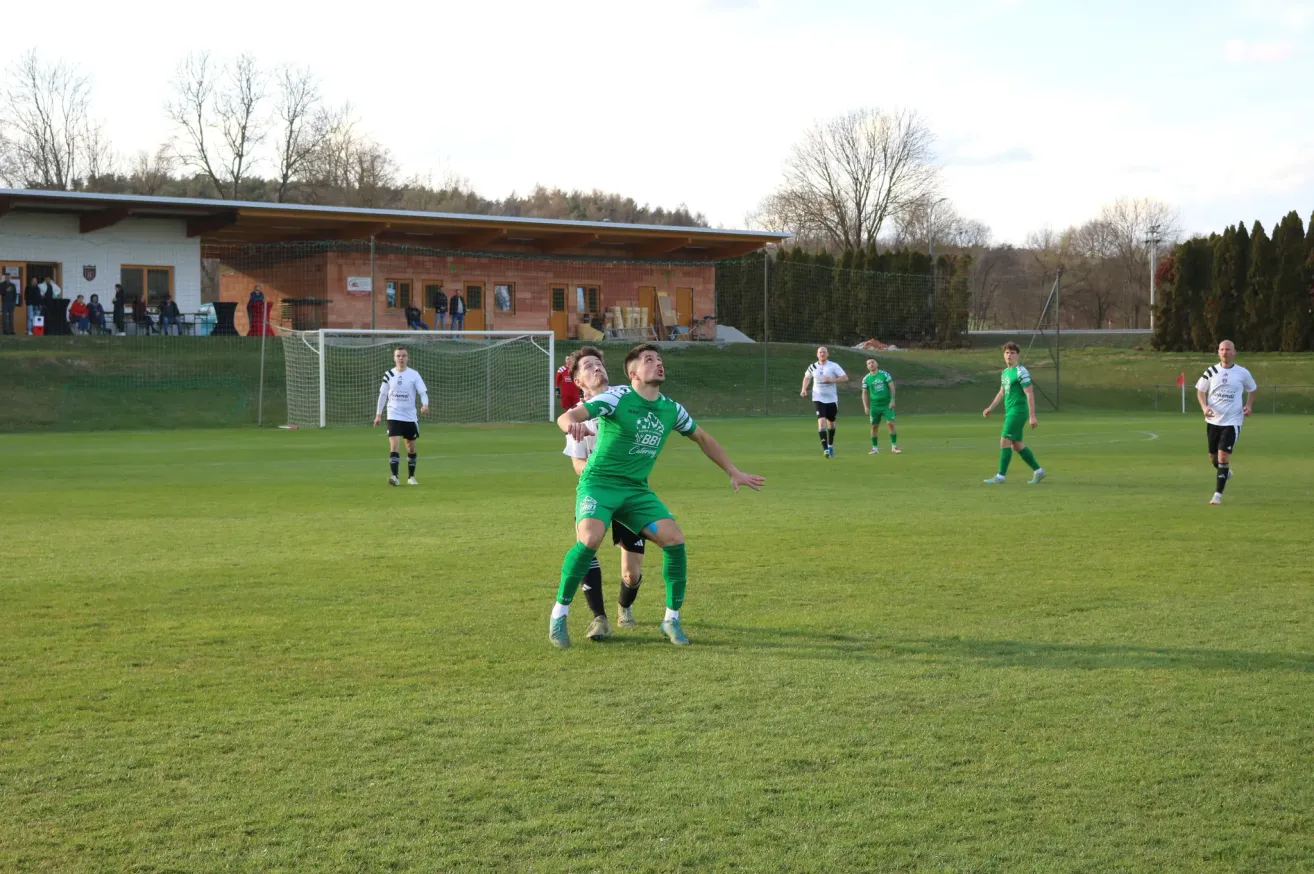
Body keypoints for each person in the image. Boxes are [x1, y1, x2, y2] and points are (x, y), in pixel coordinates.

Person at [551, 343, 765, 648]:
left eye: (659, 359)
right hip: (599, 483)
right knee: (589, 540)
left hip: (636, 490)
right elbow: (568, 417)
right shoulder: (616, 398)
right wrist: (572, 426)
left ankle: (671, 620)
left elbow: (702, 437)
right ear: (633, 373)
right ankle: (559, 614)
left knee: (674, 540)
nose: (658, 363)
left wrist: (732, 470)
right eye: (649, 360)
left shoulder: (671, 409)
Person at [561, 346, 650, 641]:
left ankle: (625, 606)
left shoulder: (626, 397)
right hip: (597, 490)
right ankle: (599, 618)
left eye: (599, 363)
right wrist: (597, 472)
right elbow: (577, 463)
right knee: (586, 545)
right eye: (588, 366)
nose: (597, 368)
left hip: (629, 492)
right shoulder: (579, 417)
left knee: (631, 573)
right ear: (578, 381)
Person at [1196, 339, 1257, 505]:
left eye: (1228, 349)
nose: (1225, 352)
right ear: (1218, 352)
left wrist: (1248, 406)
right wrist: (1204, 407)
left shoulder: (1242, 372)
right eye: (1222, 349)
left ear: (1234, 352)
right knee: (1213, 457)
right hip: (1213, 420)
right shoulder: (1211, 371)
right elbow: (1200, 391)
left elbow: (1252, 389)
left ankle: (1217, 495)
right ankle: (1225, 472)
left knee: (1223, 457)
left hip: (1232, 421)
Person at [982, 342, 1045, 484]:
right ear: (1003, 355)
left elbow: (1029, 393)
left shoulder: (1021, 372)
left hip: (1018, 411)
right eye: (1007, 353)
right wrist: (990, 408)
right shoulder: (1005, 372)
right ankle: (1039, 471)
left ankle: (1000, 476)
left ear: (1017, 355)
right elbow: (1002, 392)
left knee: (1004, 440)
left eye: (1012, 353)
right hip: (1010, 411)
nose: (1009, 355)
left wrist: (1032, 416)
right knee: (1017, 445)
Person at [373, 347, 430, 486]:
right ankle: (395, 477)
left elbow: (423, 392)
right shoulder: (389, 374)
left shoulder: (414, 375)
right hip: (393, 415)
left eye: (403, 355)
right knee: (394, 445)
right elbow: (383, 395)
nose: (401, 358)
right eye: (398, 356)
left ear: (407, 358)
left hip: (410, 417)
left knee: (411, 447)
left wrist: (425, 404)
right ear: (394, 358)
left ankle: (411, 477)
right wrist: (378, 414)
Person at [801, 346, 848, 458]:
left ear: (827, 354)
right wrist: (803, 389)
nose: (822, 354)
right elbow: (807, 377)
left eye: (824, 352)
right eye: (820, 352)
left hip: (831, 399)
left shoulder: (833, 366)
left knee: (831, 423)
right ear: (817, 354)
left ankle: (830, 445)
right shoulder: (813, 366)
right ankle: (825, 449)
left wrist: (832, 380)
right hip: (818, 398)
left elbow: (845, 378)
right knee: (821, 421)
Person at [861, 358, 900, 455]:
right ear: (867, 366)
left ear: (876, 364)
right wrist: (866, 406)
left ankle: (894, 446)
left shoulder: (884, 374)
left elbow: (892, 387)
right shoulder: (866, 379)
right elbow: (864, 393)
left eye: (872, 362)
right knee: (874, 426)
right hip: (875, 406)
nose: (871, 364)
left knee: (890, 423)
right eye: (869, 363)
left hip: (886, 404)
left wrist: (892, 400)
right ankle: (874, 448)